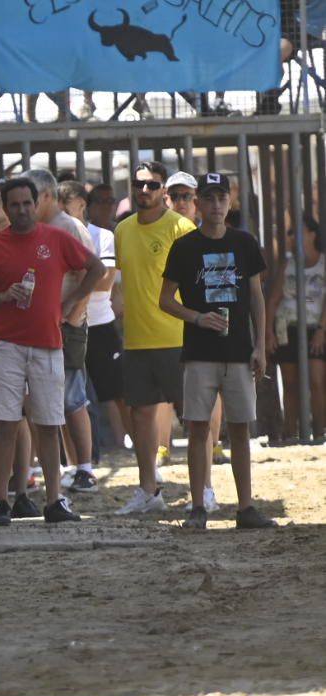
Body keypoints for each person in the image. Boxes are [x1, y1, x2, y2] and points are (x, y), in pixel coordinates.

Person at [0, 176, 104, 525]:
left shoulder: (56, 237)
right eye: (14, 204)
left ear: (37, 202)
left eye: (27, 203)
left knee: (49, 422)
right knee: (5, 422)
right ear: (6, 208)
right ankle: (1, 501)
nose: (22, 209)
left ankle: (54, 500)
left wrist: (71, 302)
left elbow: (97, 267)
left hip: (48, 344)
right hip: (6, 345)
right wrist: (4, 296)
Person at [159, 173, 277, 529]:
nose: (215, 206)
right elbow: (165, 300)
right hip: (199, 353)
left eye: (221, 198)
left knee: (240, 429)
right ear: (197, 204)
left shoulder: (244, 242)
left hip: (240, 351)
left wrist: (260, 345)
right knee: (198, 429)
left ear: (230, 202)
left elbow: (256, 296)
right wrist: (197, 317)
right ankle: (198, 507)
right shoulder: (185, 246)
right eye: (208, 199)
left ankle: (245, 507)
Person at [113, 161, 197, 515]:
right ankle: (148, 490)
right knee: (140, 416)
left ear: (165, 190)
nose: (143, 191)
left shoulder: (182, 227)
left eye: (152, 185)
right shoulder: (122, 230)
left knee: (194, 416)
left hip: (177, 336)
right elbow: (120, 284)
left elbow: (196, 283)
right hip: (136, 339)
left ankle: (202, 489)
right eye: (138, 184)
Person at [27, 169, 101, 494]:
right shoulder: (37, 228)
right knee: (48, 399)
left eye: (31, 197)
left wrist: (72, 313)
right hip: (42, 324)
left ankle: (84, 468)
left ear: (45, 196)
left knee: (73, 397)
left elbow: (93, 272)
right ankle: (69, 466)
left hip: (67, 326)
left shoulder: (69, 226)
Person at [264, 214, 326, 444]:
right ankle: (291, 433)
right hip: (287, 327)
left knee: (317, 379)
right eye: (290, 233)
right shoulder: (287, 265)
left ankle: (320, 432)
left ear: (313, 234)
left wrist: (321, 330)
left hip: (315, 327)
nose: (293, 237)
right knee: (290, 384)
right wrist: (269, 332)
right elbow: (273, 300)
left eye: (298, 232)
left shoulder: (323, 263)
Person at [82, 184, 127, 457]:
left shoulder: (110, 236)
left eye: (111, 201)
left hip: (107, 321)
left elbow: (107, 282)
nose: (108, 207)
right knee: (79, 394)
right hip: (80, 321)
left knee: (116, 390)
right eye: (101, 201)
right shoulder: (76, 235)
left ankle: (124, 444)